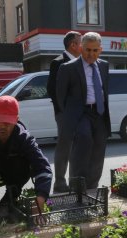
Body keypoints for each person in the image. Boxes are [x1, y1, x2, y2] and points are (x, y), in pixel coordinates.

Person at [56, 32, 110, 189]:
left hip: (99, 113)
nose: (91, 54)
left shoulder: (104, 65)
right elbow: (61, 96)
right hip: (80, 115)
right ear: (80, 48)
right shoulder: (68, 68)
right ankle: (77, 187)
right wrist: (69, 116)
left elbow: (103, 90)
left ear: (100, 50)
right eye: (87, 50)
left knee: (99, 147)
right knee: (83, 142)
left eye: (95, 50)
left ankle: (92, 188)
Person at [47, 31, 82, 193]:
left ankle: (75, 182)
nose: (83, 45)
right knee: (64, 147)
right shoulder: (58, 62)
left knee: (79, 147)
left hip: (82, 113)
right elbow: (52, 89)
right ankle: (60, 183)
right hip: (65, 114)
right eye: (80, 42)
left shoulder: (82, 62)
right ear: (73, 45)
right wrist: (63, 110)